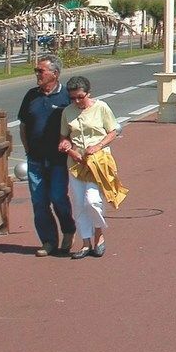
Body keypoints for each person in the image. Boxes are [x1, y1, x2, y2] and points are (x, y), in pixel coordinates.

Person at [60, 75, 123, 258]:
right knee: (79, 204)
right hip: (76, 162)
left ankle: (99, 234)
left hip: (98, 161)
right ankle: (85, 242)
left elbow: (112, 131)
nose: (77, 101)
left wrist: (97, 146)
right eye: (73, 98)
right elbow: (64, 137)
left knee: (92, 200)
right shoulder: (67, 112)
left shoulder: (101, 107)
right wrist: (69, 149)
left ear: (89, 93)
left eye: (80, 97)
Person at [17, 55, 74, 257]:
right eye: (37, 71)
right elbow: (23, 125)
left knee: (58, 197)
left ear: (55, 74)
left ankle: (68, 230)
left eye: (41, 71)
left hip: (58, 159)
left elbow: (78, 124)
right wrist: (27, 149)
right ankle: (49, 241)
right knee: (39, 202)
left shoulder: (67, 96)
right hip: (35, 160)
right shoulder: (31, 95)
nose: (37, 74)